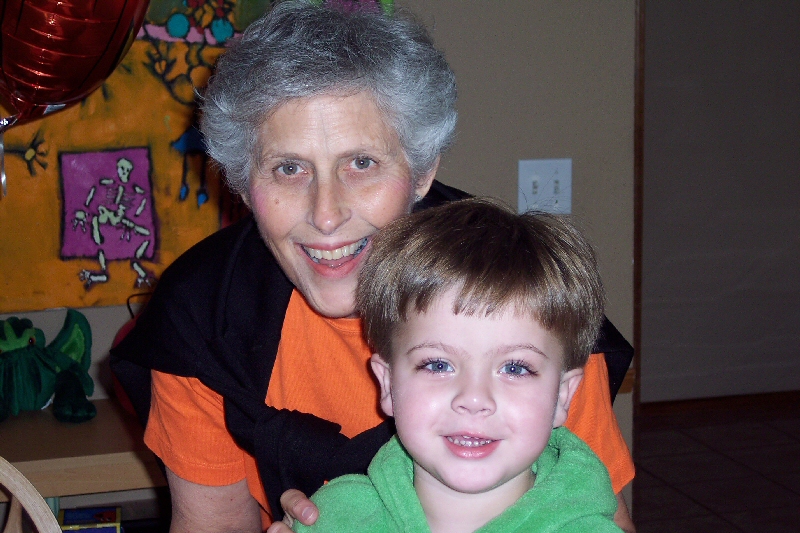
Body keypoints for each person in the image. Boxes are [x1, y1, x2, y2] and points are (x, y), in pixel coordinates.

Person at [109, 2, 636, 532]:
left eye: (362, 163)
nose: (326, 214)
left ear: (422, 171)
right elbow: (214, 525)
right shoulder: (202, 318)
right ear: (245, 185)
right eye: (288, 168)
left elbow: (594, 514)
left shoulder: (520, 298)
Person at [292, 198, 623, 533]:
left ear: (563, 396)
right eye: (438, 365)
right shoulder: (331, 519)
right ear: (389, 384)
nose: (474, 399)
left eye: (515, 368)